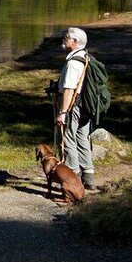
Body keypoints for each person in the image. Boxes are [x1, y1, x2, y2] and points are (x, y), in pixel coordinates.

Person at [57, 27, 96, 191]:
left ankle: (74, 179)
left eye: (67, 37)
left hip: (74, 106)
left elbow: (69, 89)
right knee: (82, 139)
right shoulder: (86, 57)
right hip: (85, 106)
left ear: (75, 42)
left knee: (67, 139)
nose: (64, 39)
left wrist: (62, 113)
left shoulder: (73, 63)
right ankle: (89, 177)